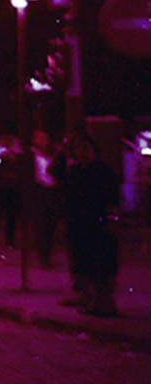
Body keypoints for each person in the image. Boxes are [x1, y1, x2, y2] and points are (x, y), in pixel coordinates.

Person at [61, 133, 121, 317]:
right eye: (78, 148)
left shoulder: (103, 171)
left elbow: (112, 199)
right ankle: (92, 300)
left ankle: (105, 303)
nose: (82, 152)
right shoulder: (76, 170)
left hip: (98, 222)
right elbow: (54, 172)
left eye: (86, 148)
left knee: (101, 264)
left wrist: (113, 221)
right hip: (79, 223)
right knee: (84, 263)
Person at [29, 130, 66, 267]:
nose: (44, 142)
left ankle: (47, 253)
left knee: (51, 225)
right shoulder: (30, 156)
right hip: (39, 193)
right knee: (41, 226)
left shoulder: (55, 155)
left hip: (52, 192)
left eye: (45, 138)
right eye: (40, 139)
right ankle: (43, 256)